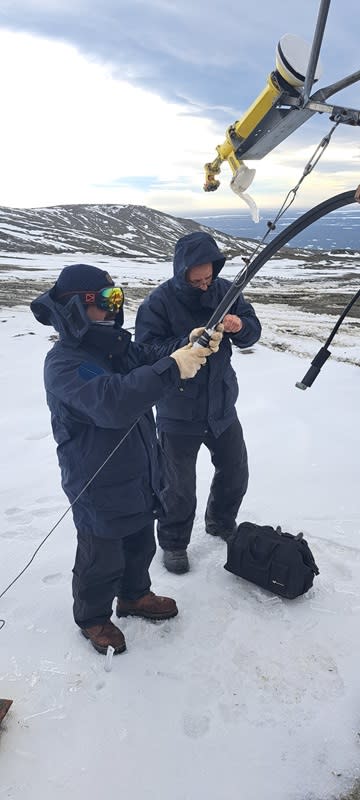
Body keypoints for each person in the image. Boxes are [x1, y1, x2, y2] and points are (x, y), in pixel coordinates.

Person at [30, 263, 222, 655]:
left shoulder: (112, 346)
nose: (113, 308)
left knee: (139, 542)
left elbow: (148, 354)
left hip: (138, 469)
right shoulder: (65, 363)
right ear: (75, 307)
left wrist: (186, 345)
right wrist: (174, 368)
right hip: (95, 481)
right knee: (101, 555)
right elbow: (113, 402)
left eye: (116, 298)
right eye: (105, 300)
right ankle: (93, 617)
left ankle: (134, 596)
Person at [135, 231, 262, 574]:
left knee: (235, 470)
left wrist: (240, 325)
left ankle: (221, 521)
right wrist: (184, 343)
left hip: (221, 405)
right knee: (178, 486)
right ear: (182, 273)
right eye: (198, 281)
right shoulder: (158, 303)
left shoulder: (226, 292)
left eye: (210, 277)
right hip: (178, 411)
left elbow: (254, 329)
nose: (206, 286)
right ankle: (175, 543)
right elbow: (144, 352)